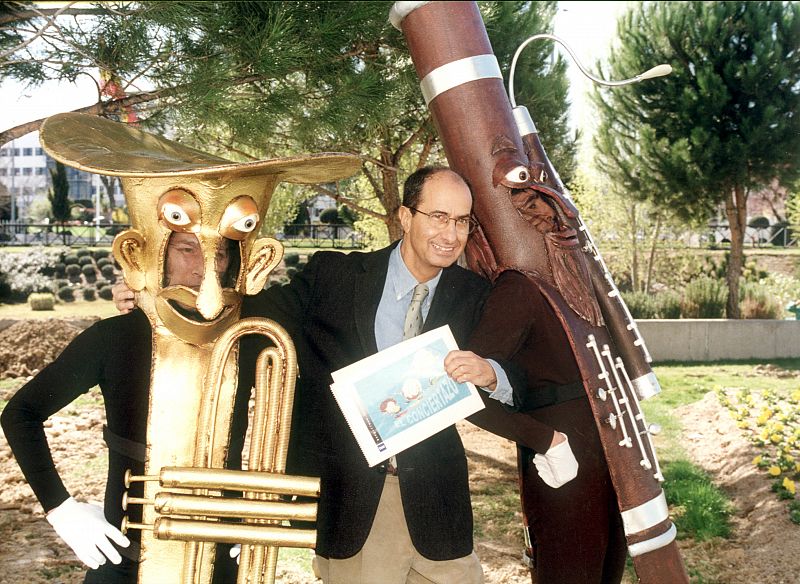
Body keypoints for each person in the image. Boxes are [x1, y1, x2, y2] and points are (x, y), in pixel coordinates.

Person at [115, 165, 577, 584]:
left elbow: (512, 371)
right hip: (353, 505)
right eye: (438, 216)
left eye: (461, 221)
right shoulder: (333, 277)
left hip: (439, 510)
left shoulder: (474, 293)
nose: (450, 234)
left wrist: (492, 374)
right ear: (404, 216)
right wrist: (157, 299)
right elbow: (246, 318)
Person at [0, 232, 239, 584]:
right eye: (187, 249)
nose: (204, 266)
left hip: (221, 560)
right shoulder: (114, 337)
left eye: (217, 254)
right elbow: (20, 414)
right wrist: (61, 510)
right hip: (126, 558)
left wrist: (267, 512)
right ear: (159, 254)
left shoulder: (245, 337)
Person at [466, 271, 627, 583]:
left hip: (610, 460)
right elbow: (461, 392)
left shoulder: (575, 279)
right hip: (566, 468)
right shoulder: (519, 287)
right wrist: (545, 440)